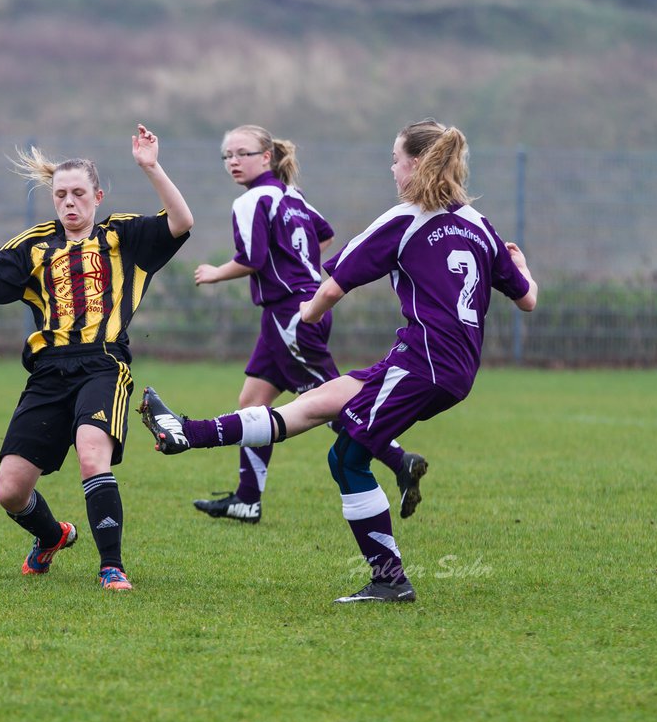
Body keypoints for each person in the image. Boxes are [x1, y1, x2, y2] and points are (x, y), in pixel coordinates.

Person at [140, 119, 537, 603]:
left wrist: (306, 313)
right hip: (435, 363)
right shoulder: (480, 226)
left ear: (416, 164)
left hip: (422, 364)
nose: (392, 169)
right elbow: (527, 300)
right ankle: (186, 433)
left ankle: (389, 578)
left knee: (347, 456)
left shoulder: (403, 219)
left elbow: (333, 286)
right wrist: (520, 267)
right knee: (314, 405)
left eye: (396, 160)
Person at [0, 124, 193, 592]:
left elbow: (181, 222)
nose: (69, 202)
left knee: (90, 453)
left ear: (97, 196)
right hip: (47, 373)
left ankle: (111, 566)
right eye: (60, 194)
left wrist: (151, 166)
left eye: (78, 193)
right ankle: (53, 535)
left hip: (103, 364)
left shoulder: (124, 237)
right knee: (10, 491)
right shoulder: (32, 246)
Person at [189, 124, 426, 525]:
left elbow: (252, 258)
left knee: (331, 403)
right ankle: (247, 500)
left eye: (242, 153)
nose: (233, 161)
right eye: (227, 155)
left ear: (266, 157)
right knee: (252, 402)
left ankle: (398, 458)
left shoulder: (251, 201)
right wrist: (301, 268)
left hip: (292, 315)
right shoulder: (292, 196)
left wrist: (215, 273)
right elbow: (325, 233)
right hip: (290, 312)